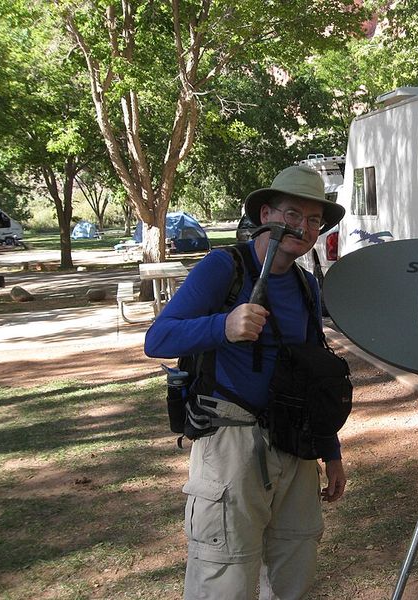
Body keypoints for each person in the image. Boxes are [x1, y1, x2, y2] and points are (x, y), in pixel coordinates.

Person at [144, 165, 347, 600]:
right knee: (225, 579)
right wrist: (224, 325)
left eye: (314, 220)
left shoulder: (307, 284)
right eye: (293, 214)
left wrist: (330, 452)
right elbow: (158, 338)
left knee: (294, 573)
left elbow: (314, 377)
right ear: (267, 213)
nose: (304, 227)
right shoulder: (225, 267)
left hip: (297, 442)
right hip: (230, 444)